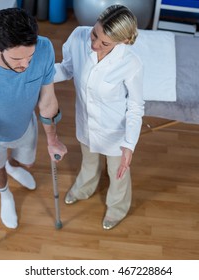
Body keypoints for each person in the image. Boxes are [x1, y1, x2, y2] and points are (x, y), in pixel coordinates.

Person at [0, 8, 67, 229]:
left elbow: (47, 100)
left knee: (28, 162)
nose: (25, 65)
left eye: (30, 57)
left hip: (24, 123)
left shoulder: (44, 48)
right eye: (17, 58)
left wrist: (53, 139)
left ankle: (14, 166)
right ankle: (6, 195)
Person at [54, 5, 144, 230]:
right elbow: (67, 69)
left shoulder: (130, 63)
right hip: (86, 120)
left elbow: (135, 106)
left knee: (118, 172)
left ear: (121, 42)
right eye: (95, 34)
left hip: (115, 130)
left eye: (104, 43)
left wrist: (129, 145)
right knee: (89, 159)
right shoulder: (78, 37)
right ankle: (84, 187)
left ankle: (117, 207)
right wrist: (37, 74)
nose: (94, 44)